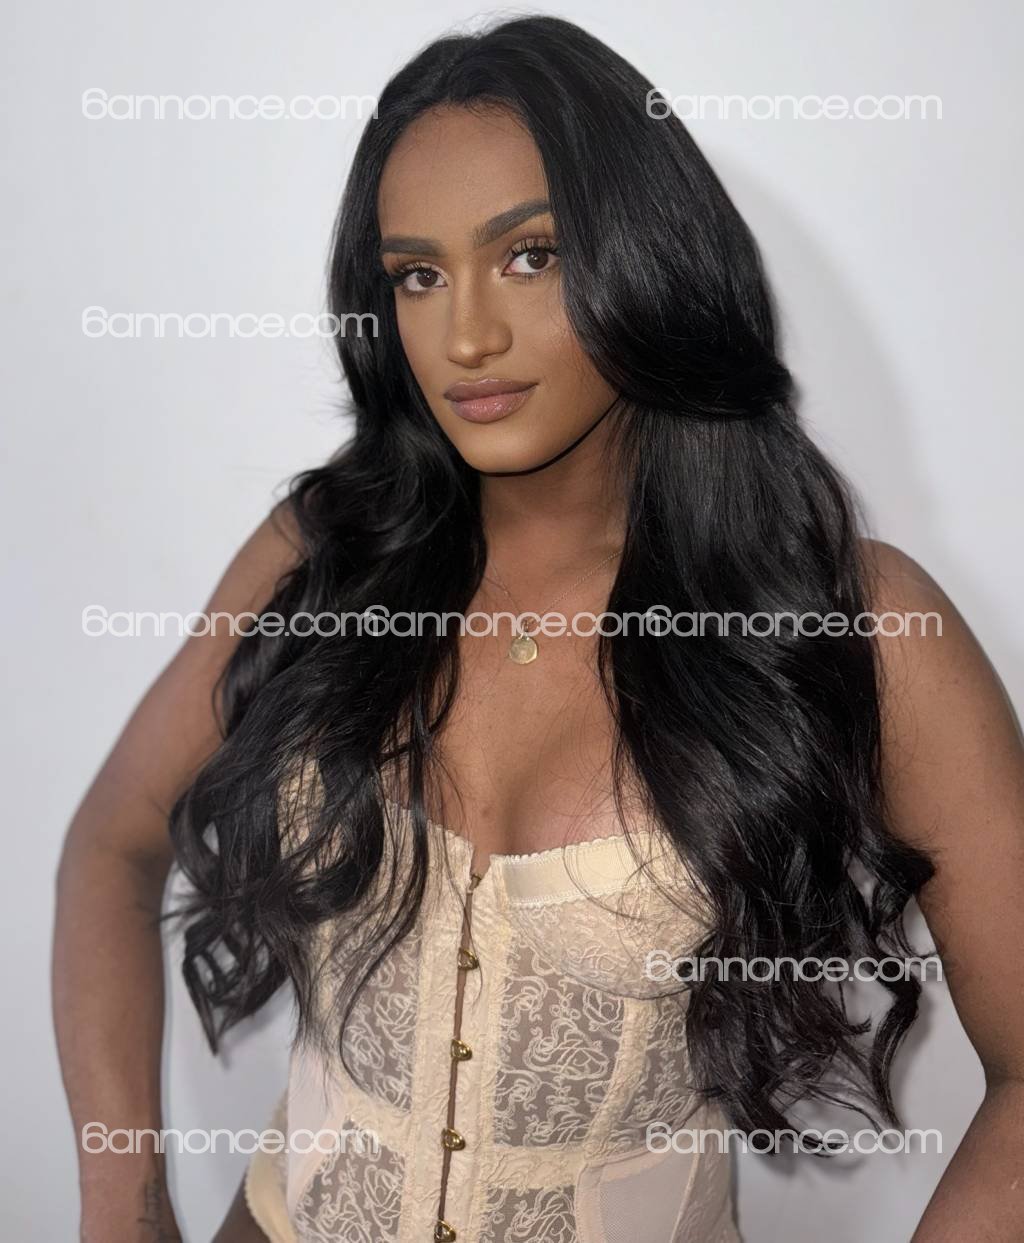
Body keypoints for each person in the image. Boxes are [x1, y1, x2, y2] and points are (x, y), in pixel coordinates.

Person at [53, 15, 1024, 1243]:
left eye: (530, 256)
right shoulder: (326, 554)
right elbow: (112, 840)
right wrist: (124, 1202)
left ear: (646, 256)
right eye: (417, 275)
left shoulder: (854, 621)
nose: (466, 336)